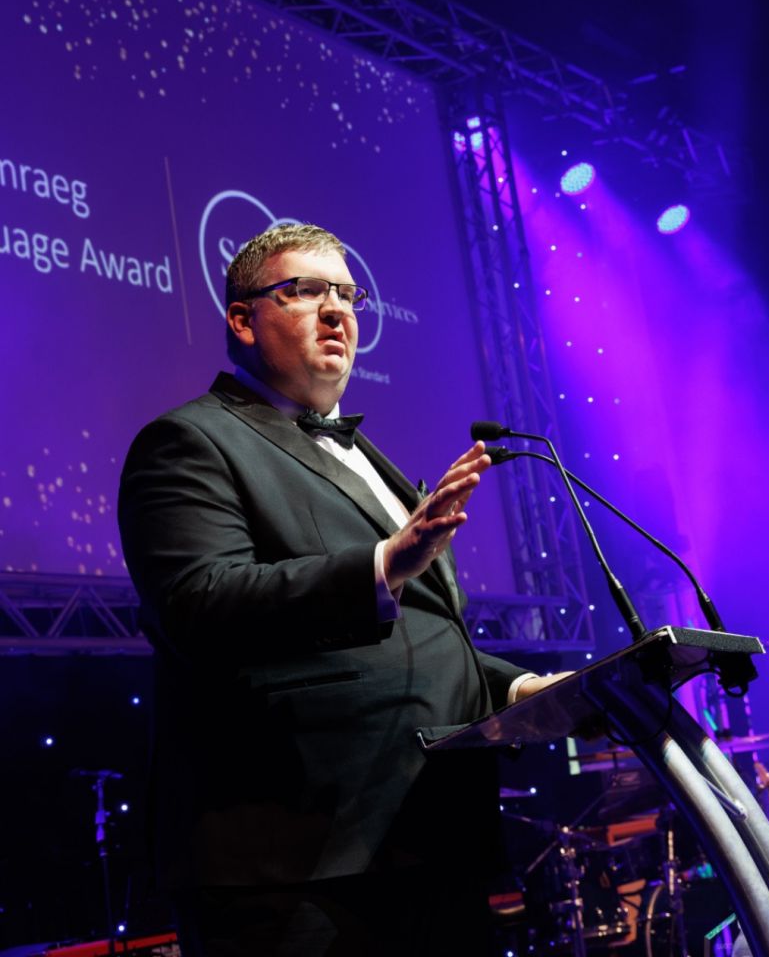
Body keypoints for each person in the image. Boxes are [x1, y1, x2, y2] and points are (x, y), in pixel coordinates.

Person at [118, 223, 554, 957]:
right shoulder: (188, 442)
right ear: (241, 319)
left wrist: (525, 692)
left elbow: (419, 642)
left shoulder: (371, 462)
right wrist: (381, 564)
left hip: (430, 841)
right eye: (305, 291)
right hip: (296, 868)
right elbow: (198, 606)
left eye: (347, 293)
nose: (338, 310)